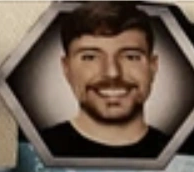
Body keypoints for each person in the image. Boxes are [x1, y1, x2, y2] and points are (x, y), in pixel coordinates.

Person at [40, 2, 167, 159]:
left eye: (130, 57)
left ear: (153, 67)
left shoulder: (184, 153)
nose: (112, 73)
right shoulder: (33, 149)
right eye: (90, 57)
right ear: (66, 68)